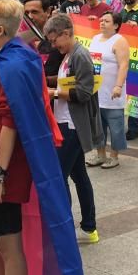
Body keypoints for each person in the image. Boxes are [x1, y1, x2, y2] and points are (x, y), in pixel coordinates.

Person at [0, 0, 80, 275]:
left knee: (8, 245)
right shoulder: (7, 55)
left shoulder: (14, 64)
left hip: (1, 171)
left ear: (0, 30)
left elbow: (10, 123)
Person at [44, 14, 101, 244]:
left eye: (54, 40)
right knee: (79, 176)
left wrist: (54, 93)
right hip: (65, 123)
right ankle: (88, 228)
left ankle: (66, 228)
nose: (53, 45)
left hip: (72, 127)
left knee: (59, 178)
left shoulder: (80, 55)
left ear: (66, 33)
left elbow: (85, 92)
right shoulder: (68, 54)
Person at [90, 12, 130, 169]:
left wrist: (118, 85)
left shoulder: (120, 41)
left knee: (115, 126)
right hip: (96, 91)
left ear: (116, 25)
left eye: (106, 21)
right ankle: (100, 154)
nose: (102, 23)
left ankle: (114, 156)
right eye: (101, 20)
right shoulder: (94, 39)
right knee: (98, 126)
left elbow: (124, 65)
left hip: (113, 93)